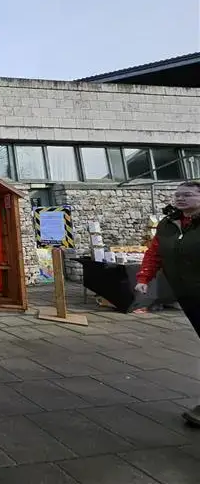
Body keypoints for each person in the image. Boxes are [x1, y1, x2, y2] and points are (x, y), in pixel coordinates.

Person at [135, 180, 200, 426]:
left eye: (188, 195)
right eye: (178, 195)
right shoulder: (169, 224)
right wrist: (144, 277)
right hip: (189, 295)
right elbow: (155, 253)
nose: (180, 198)